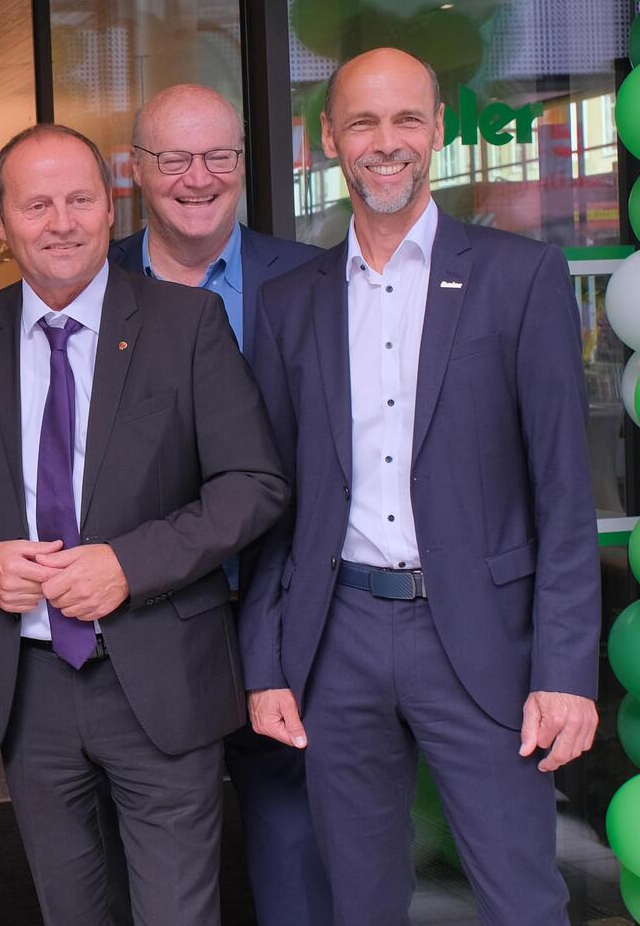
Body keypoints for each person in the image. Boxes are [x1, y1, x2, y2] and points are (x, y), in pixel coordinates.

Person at [241, 48, 600, 925]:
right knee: (360, 902)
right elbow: (271, 503)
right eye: (362, 122)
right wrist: (268, 660)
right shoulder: (291, 303)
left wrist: (567, 671)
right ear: (328, 139)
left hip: (484, 636)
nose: (386, 142)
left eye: (407, 119)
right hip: (338, 642)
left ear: (439, 129)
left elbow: (564, 494)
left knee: (522, 897)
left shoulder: (520, 278)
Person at [0, 123, 287, 924]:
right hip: (30, 688)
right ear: (1, 221)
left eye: (81, 199)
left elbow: (254, 482)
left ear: (111, 207)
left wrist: (129, 562)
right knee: (70, 909)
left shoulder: (186, 323)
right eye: (39, 203)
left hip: (158, 672)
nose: (62, 221)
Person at [109, 83, 331, 926]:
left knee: (293, 854)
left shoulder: (310, 280)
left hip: (283, 610)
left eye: (220, 157)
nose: (198, 177)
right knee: (157, 868)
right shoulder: (93, 283)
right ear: (136, 169)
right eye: (174, 158)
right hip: (146, 625)